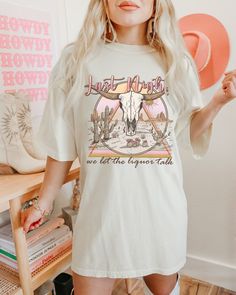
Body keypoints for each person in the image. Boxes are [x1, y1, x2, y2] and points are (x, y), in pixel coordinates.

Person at [21, 0, 236, 294]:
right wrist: (43, 203)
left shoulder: (175, 62)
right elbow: (61, 143)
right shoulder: (76, 60)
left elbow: (184, 134)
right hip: (101, 217)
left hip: (161, 214)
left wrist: (218, 102)